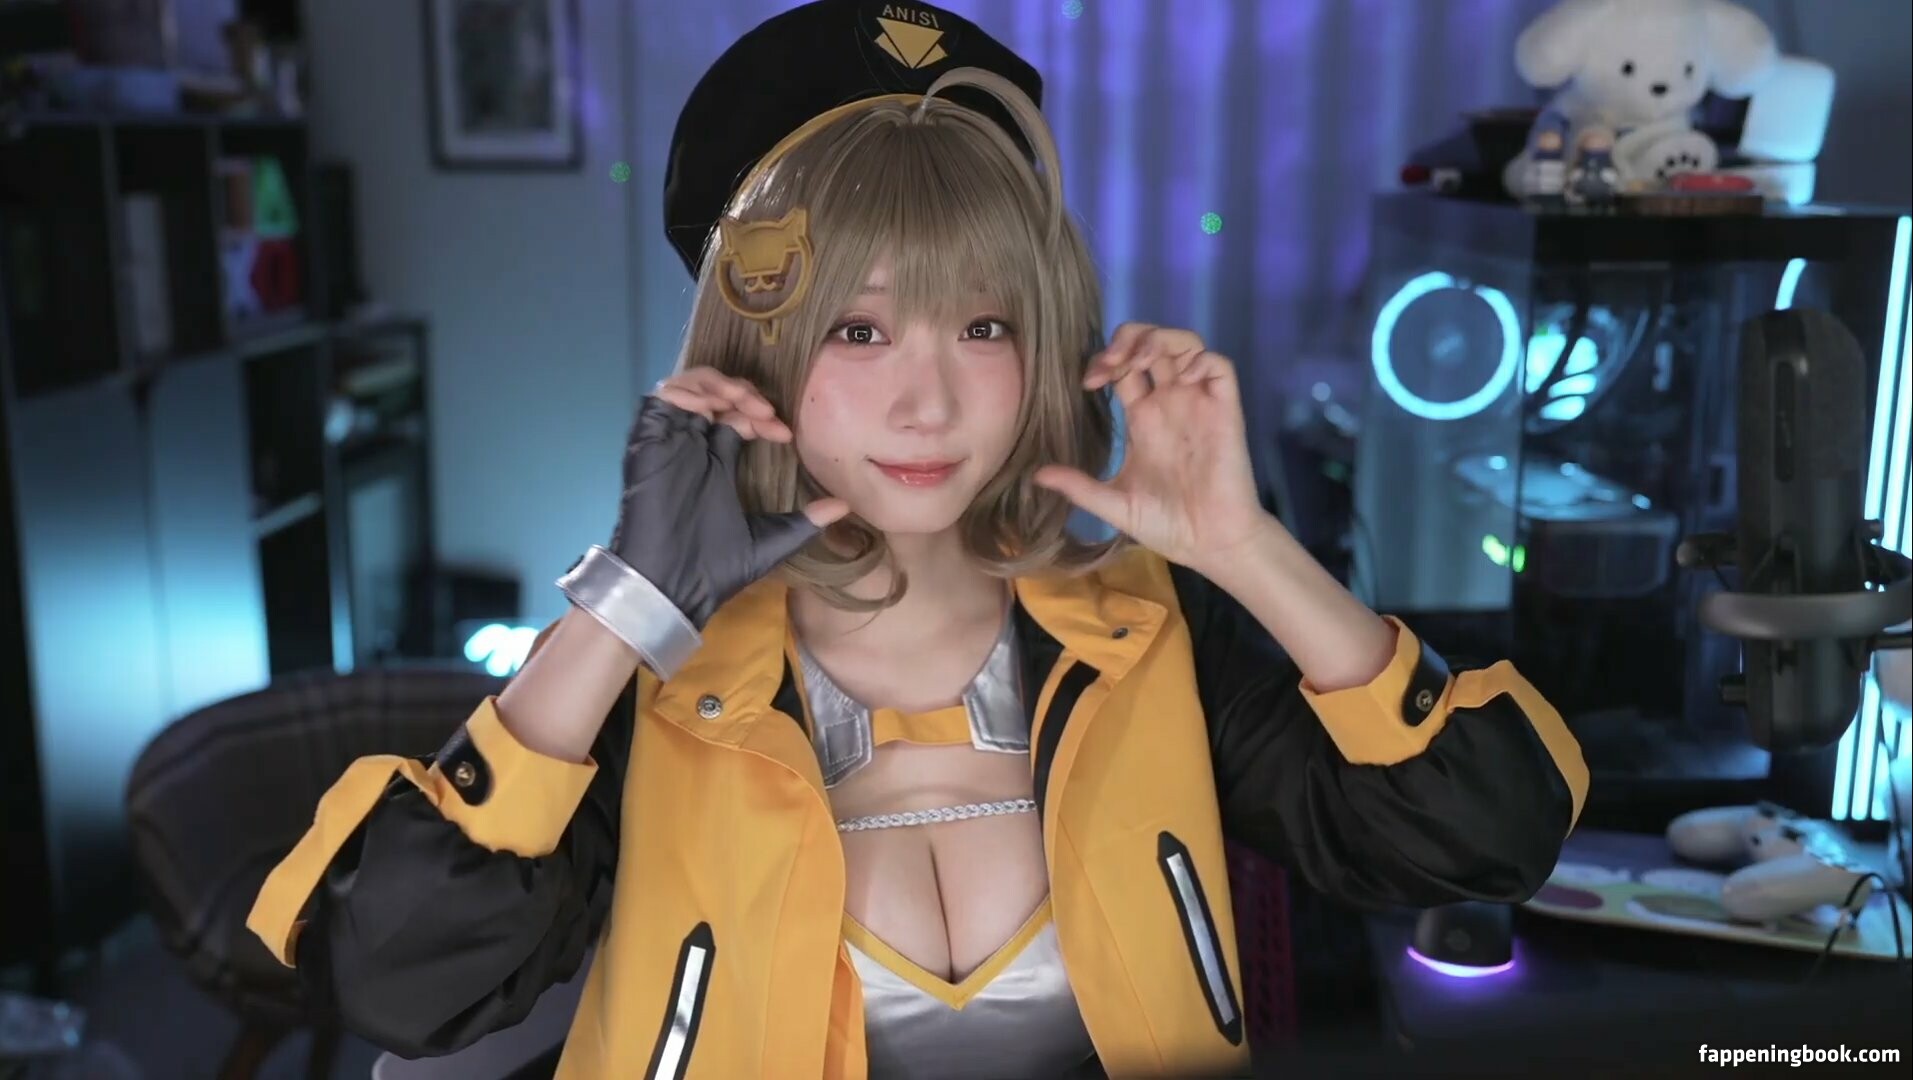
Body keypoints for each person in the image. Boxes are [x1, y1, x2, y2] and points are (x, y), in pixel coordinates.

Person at [246, 3, 1589, 1077]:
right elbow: (406, 984)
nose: (929, 401)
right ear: (757, 351)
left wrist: (1243, 548)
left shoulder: (1150, 632)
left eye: (985, 325)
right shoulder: (652, 676)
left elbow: (1483, 841)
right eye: (860, 329)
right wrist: (628, 605)